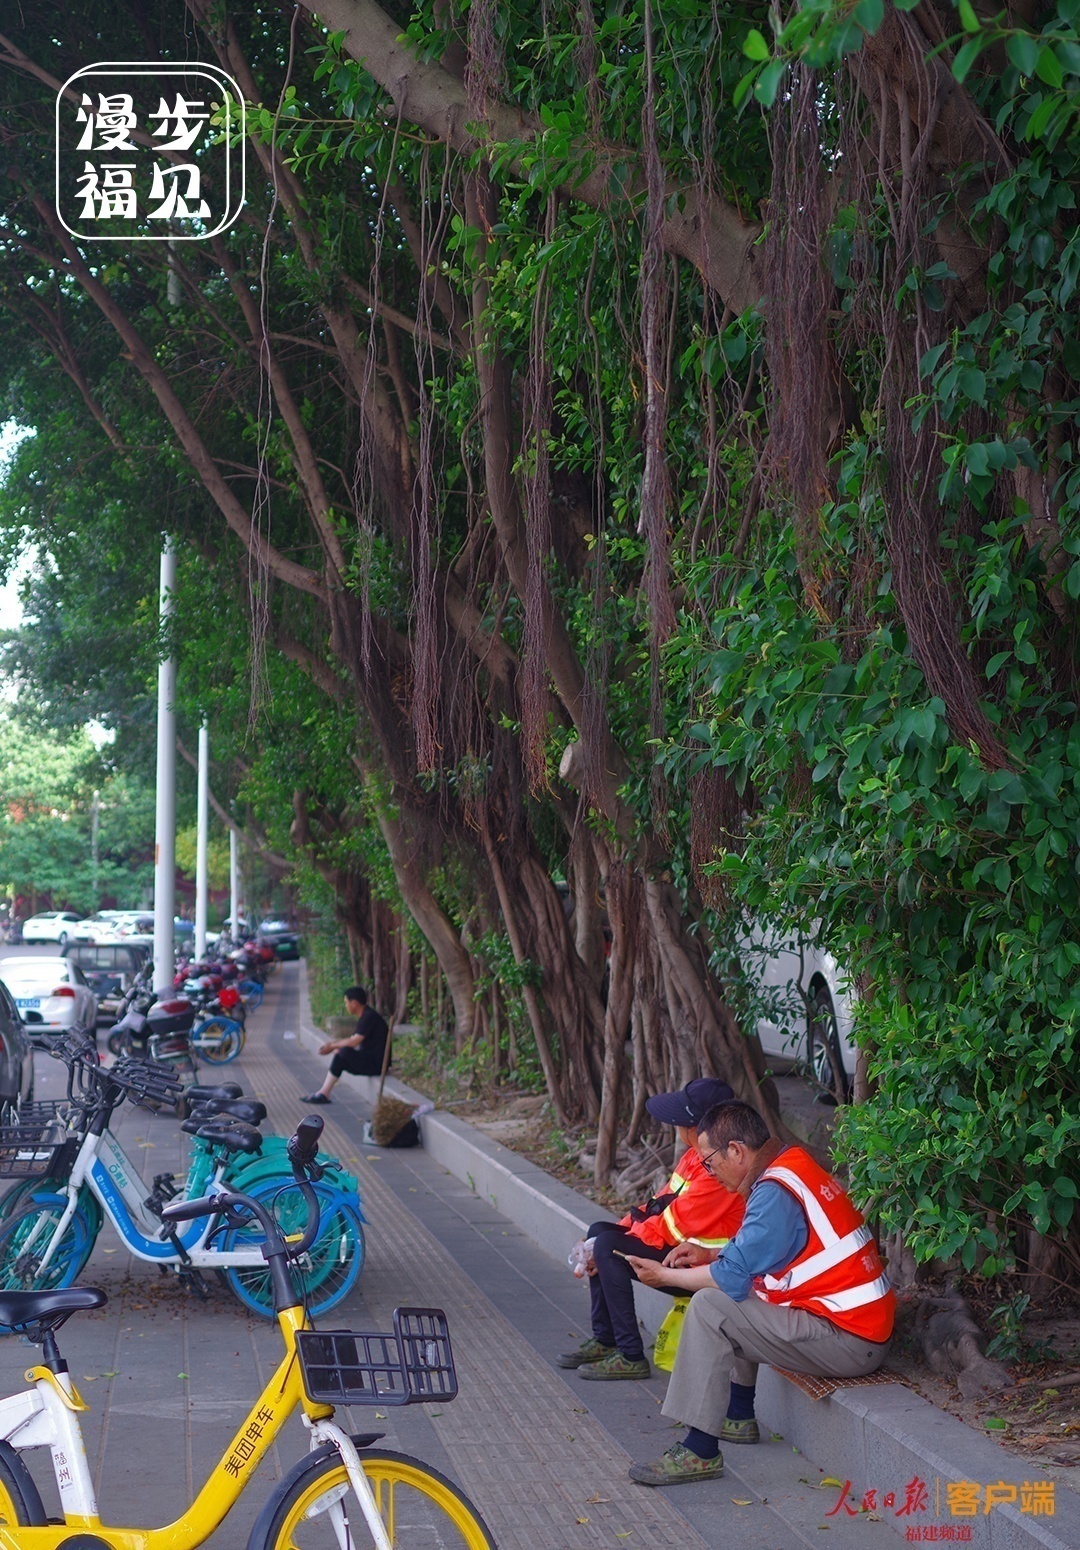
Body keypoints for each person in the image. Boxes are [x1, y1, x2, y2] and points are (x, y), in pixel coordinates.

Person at [625, 1099, 895, 1487]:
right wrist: (711, 1253)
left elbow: (729, 1279)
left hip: (849, 1339)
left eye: (708, 1161)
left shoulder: (773, 1192)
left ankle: (700, 1450)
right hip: (857, 1327)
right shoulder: (792, 1166)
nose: (708, 1170)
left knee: (709, 1307)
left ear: (736, 1150)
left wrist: (662, 1277)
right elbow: (760, 1253)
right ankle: (737, 1415)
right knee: (742, 1294)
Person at [556, 1078, 745, 1381]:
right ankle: (606, 1340)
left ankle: (630, 1355)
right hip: (680, 1250)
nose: (676, 1126)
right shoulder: (694, 1156)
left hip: (700, 1265)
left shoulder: (716, 1169)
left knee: (606, 1247)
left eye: (681, 1120)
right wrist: (615, 1232)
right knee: (600, 1233)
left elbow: (672, 1226)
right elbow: (659, 1204)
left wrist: (605, 1245)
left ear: (698, 1128)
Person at [301, 986, 389, 1104]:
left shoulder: (369, 1017)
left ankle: (323, 1093)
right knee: (341, 1053)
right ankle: (323, 1093)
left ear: (354, 1003)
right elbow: (354, 1040)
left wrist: (332, 1046)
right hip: (371, 1060)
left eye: (346, 1002)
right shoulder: (366, 1016)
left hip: (377, 1064)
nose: (346, 1006)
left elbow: (354, 1042)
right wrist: (335, 1046)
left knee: (344, 1052)